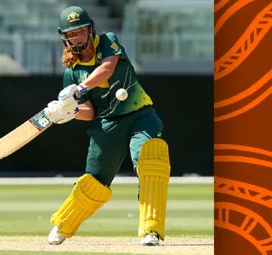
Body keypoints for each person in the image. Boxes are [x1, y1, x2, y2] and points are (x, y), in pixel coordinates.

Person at [43, 6, 171, 247]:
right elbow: (89, 112)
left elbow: (107, 68)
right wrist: (68, 113)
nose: (78, 37)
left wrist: (80, 90)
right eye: (72, 34)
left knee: (151, 160)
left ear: (90, 29)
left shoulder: (107, 42)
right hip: (106, 125)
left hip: (139, 114)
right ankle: (63, 224)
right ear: (64, 37)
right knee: (95, 181)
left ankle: (150, 231)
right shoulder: (72, 74)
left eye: (81, 31)